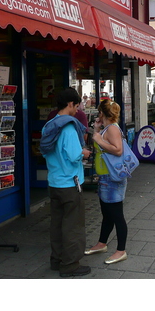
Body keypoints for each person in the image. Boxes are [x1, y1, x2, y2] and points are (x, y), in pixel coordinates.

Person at [40, 87, 92, 277]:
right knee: (73, 226)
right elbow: (73, 155)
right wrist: (84, 153)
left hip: (54, 181)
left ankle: (57, 260)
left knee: (57, 224)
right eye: (76, 106)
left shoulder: (50, 124)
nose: (77, 110)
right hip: (70, 183)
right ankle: (70, 265)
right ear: (70, 104)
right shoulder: (68, 127)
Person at [85, 100, 128, 265]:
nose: (98, 116)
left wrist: (98, 138)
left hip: (112, 178)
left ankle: (121, 250)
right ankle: (102, 243)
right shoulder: (107, 129)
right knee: (107, 214)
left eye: (99, 113)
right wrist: (97, 130)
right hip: (106, 177)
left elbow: (118, 150)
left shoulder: (112, 129)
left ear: (102, 113)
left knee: (117, 215)